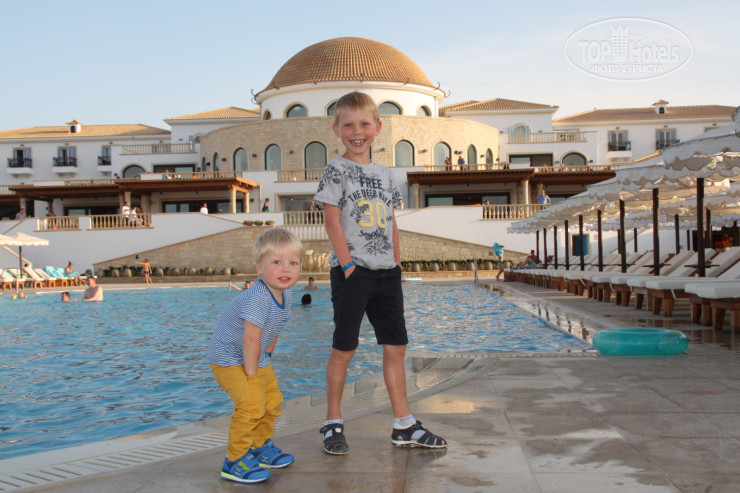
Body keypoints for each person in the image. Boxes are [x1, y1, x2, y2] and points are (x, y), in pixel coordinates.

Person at [314, 91, 446, 456]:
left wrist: (397, 263)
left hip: (388, 274)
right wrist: (348, 266)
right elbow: (332, 221)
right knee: (344, 349)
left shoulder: (387, 175)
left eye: (364, 124)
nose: (357, 132)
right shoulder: (336, 170)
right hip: (353, 272)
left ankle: (404, 424)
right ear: (336, 130)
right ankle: (332, 422)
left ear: (378, 127)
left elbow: (391, 221)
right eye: (348, 125)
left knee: (396, 347)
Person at [207, 228, 303, 484]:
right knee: (251, 404)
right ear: (260, 268)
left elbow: (275, 327)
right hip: (229, 357)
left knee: (272, 401)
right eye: (277, 262)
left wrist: (267, 357)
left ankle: (259, 447)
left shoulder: (286, 293)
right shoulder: (259, 297)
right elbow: (249, 339)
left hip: (255, 355)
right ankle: (234, 459)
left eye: (293, 263)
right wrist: (252, 375)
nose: (286, 269)